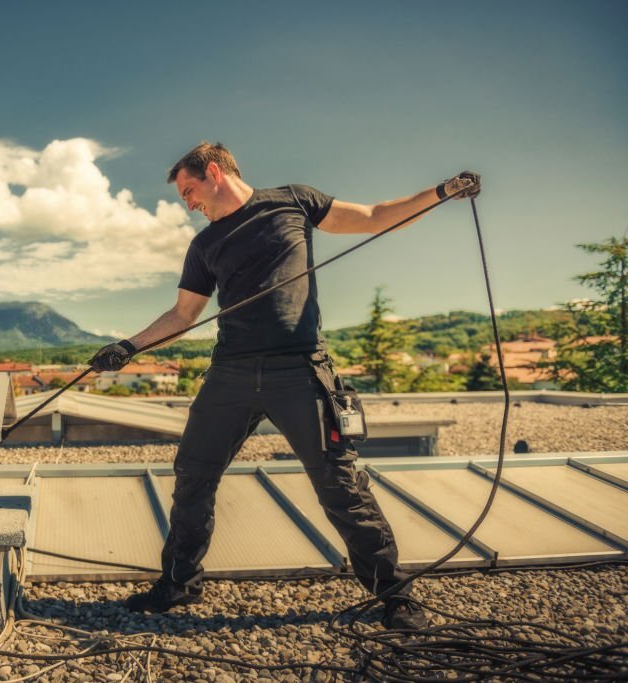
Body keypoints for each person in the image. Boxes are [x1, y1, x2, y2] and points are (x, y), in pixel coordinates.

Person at [89, 141, 480, 630]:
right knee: (192, 475)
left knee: (340, 485)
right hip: (230, 371)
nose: (187, 203)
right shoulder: (205, 245)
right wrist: (128, 346)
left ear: (214, 171)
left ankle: (396, 596)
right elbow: (183, 314)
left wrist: (442, 192)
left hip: (298, 369)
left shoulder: (293, 202)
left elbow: (377, 215)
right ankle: (177, 584)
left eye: (189, 190)